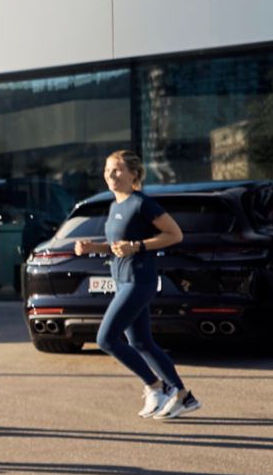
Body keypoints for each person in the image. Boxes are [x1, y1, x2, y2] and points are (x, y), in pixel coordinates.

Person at [70, 151, 198, 420]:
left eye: (116, 170)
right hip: (122, 279)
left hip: (139, 280)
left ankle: (156, 386)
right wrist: (94, 247)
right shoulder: (115, 205)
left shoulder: (142, 204)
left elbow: (175, 234)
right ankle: (182, 396)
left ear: (133, 174)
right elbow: (120, 247)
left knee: (105, 339)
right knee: (140, 342)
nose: (110, 175)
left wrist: (138, 246)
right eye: (107, 170)